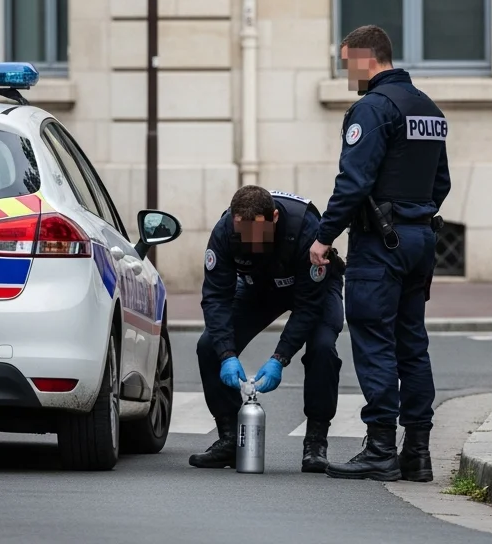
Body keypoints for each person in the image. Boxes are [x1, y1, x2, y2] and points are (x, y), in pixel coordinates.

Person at [310, 25, 450, 483]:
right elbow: (441, 183)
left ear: (367, 58)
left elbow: (353, 182)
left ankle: (381, 449)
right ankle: (419, 453)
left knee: (374, 341)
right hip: (420, 240)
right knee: (413, 343)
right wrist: (414, 216)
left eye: (347, 62)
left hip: (381, 244)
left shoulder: (372, 110)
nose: (346, 72)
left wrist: (324, 236)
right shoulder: (427, 109)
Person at [190, 185, 345, 473]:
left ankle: (315, 443)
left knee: (322, 349)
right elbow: (216, 298)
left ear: (274, 217)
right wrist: (226, 354)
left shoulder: (305, 227)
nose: (249, 242)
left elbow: (308, 307)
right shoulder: (225, 230)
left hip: (312, 289)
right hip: (258, 288)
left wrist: (279, 358)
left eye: (256, 233)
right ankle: (229, 439)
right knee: (209, 346)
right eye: (242, 233)